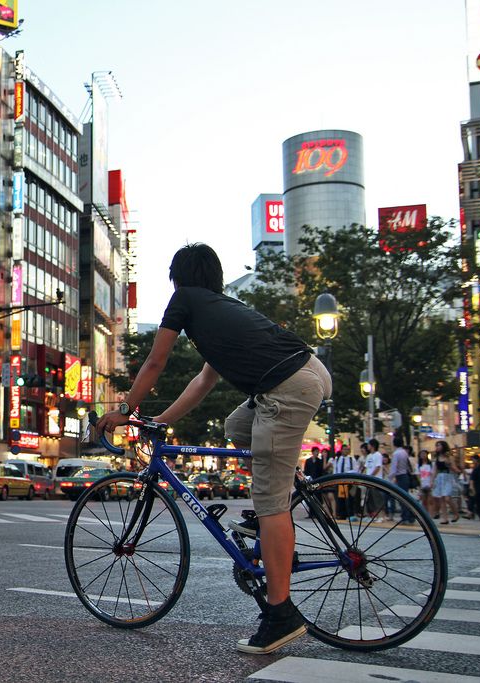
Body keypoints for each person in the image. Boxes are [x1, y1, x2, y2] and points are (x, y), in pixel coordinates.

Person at [96, 243, 331, 655]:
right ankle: (279, 501)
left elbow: (155, 362)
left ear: (178, 279)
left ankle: (281, 615)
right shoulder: (222, 313)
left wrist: (125, 410)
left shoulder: (184, 301)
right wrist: (160, 421)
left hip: (287, 387)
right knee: (237, 425)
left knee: (271, 503)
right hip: (309, 371)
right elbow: (202, 383)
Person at [431, 440, 458, 524]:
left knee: (447, 497)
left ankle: (456, 513)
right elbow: (435, 470)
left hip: (447, 477)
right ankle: (445, 518)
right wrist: (432, 481)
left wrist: (449, 464)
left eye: (439, 445)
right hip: (440, 477)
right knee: (441, 498)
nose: (437, 447)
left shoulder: (449, 457)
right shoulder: (437, 458)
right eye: (437, 446)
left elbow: (455, 469)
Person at [390, 436, 413, 524]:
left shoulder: (396, 453)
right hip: (405, 475)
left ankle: (405, 517)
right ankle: (408, 516)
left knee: (401, 498)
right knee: (405, 497)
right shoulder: (404, 452)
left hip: (400, 476)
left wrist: (390, 478)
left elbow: (394, 468)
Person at [418, 450, 433, 516]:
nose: (423, 455)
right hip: (422, 483)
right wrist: (420, 485)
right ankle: (425, 514)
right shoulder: (418, 465)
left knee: (430, 500)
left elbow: (432, 474)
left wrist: (431, 483)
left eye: (424, 454)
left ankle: (430, 514)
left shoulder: (431, 464)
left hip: (429, 483)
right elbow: (418, 475)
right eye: (421, 454)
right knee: (423, 500)